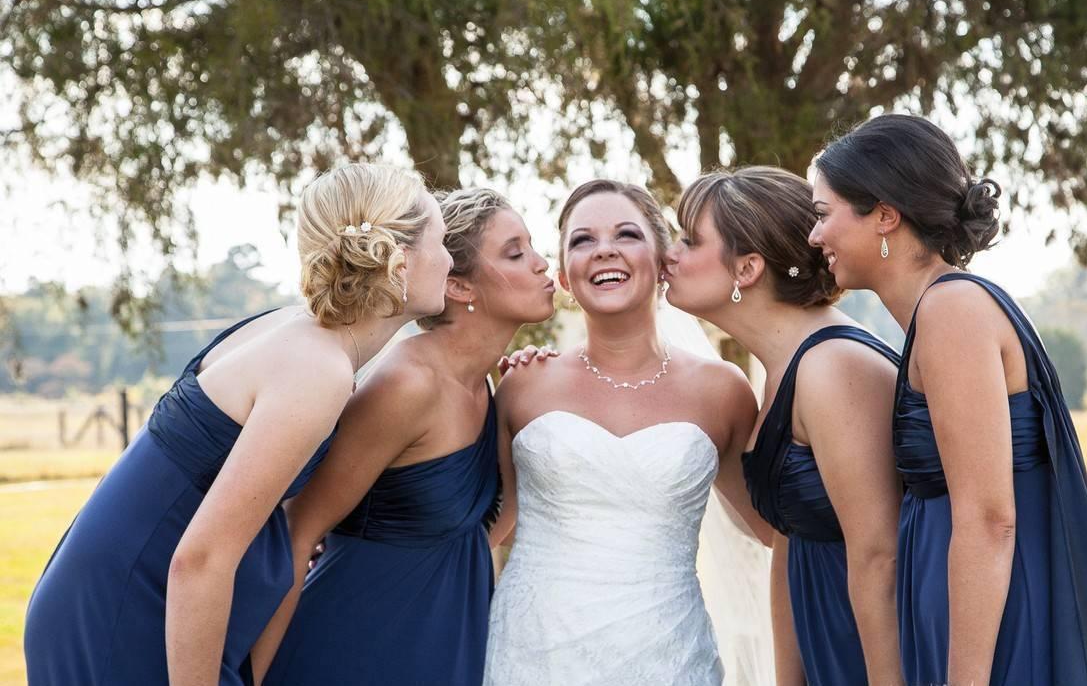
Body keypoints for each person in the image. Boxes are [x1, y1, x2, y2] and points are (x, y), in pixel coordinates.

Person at [24, 163, 451, 685]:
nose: (451, 260)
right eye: (442, 242)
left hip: (113, 587)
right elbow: (200, 559)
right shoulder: (318, 369)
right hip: (129, 607)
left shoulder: (298, 332)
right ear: (401, 262)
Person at [810, 114, 1087, 685]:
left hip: (996, 627)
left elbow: (989, 521)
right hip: (961, 608)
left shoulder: (952, 311)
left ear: (885, 215)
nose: (815, 237)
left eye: (823, 214)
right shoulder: (942, 310)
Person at [254, 187, 556, 686]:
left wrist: (528, 407)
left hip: (442, 645)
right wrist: (256, 678)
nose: (542, 263)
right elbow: (297, 530)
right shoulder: (407, 384)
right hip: (350, 651)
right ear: (459, 286)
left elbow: (480, 529)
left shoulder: (485, 385)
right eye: (515, 252)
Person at [482, 179, 772, 686]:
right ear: (564, 276)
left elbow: (774, 527)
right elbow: (488, 528)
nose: (604, 250)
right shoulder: (523, 385)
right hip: (533, 654)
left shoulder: (722, 391)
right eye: (582, 240)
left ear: (664, 261)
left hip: (670, 658)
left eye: (627, 234)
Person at [665, 165, 904, 686]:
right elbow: (789, 536)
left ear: (747, 268)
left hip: (871, 653)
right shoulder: (784, 370)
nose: (669, 254)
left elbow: (880, 556)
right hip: (824, 644)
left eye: (689, 240)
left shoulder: (834, 367)